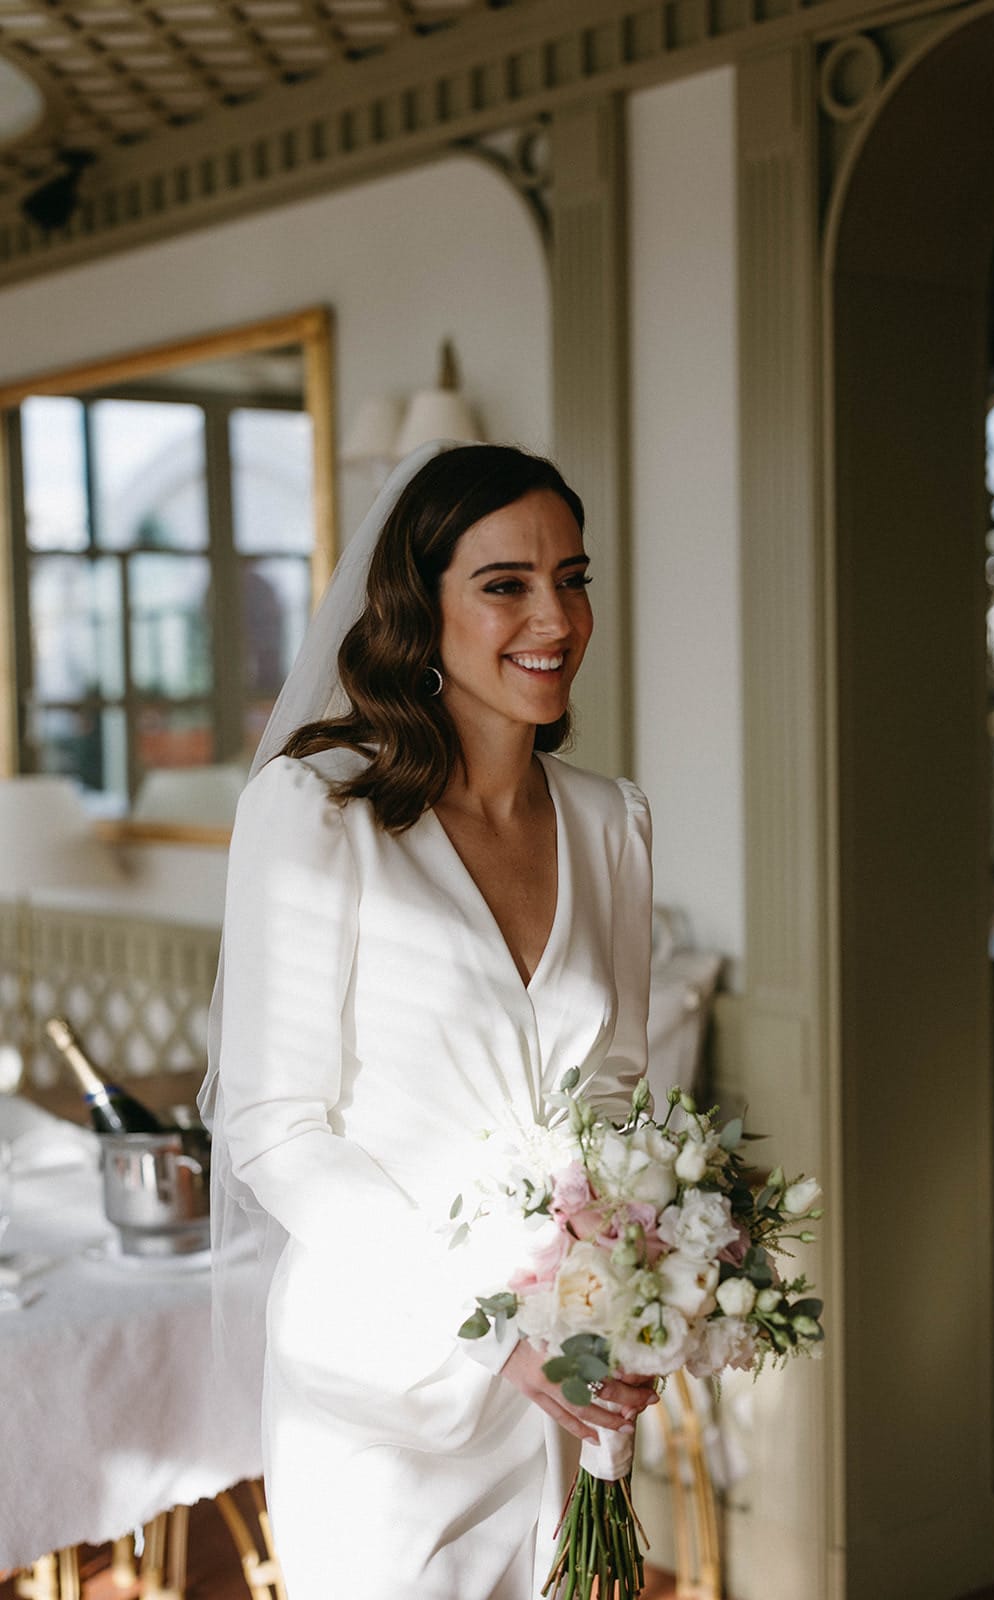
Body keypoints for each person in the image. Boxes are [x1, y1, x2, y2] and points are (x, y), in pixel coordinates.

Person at [200, 441, 659, 1598]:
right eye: (503, 582)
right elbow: (274, 1130)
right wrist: (496, 1333)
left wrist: (633, 1294)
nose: (551, 614)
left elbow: (612, 1100)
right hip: (383, 1389)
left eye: (572, 575)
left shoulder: (612, 825)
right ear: (421, 605)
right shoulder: (315, 811)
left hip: (559, 1382)